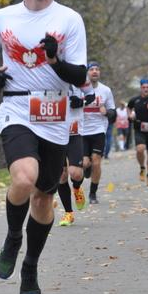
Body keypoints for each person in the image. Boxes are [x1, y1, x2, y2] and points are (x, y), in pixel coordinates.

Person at [0, 0, 88, 294]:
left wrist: (54, 59)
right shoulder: (2, 17)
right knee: (23, 178)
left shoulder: (70, 19)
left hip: (55, 113)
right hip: (17, 106)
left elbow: (80, 75)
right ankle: (13, 239)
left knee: (43, 198)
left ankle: (31, 266)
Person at [57, 84, 94, 226]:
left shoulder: (77, 78)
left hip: (75, 133)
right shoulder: (49, 78)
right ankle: (68, 213)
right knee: (61, 175)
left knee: (76, 174)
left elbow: (91, 95)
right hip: (56, 133)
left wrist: (82, 102)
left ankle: (77, 188)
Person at [81, 61, 116, 205]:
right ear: (87, 72)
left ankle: (92, 194)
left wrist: (107, 112)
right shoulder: (79, 89)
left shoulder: (106, 90)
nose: (94, 72)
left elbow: (113, 113)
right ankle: (86, 168)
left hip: (98, 130)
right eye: (91, 69)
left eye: (97, 69)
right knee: (84, 163)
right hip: (82, 131)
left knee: (96, 162)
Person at [128, 79, 148, 186]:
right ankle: (142, 167)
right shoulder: (135, 100)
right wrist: (130, 115)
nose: (146, 89)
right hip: (139, 129)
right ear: (141, 88)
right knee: (140, 149)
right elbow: (129, 108)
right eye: (143, 87)